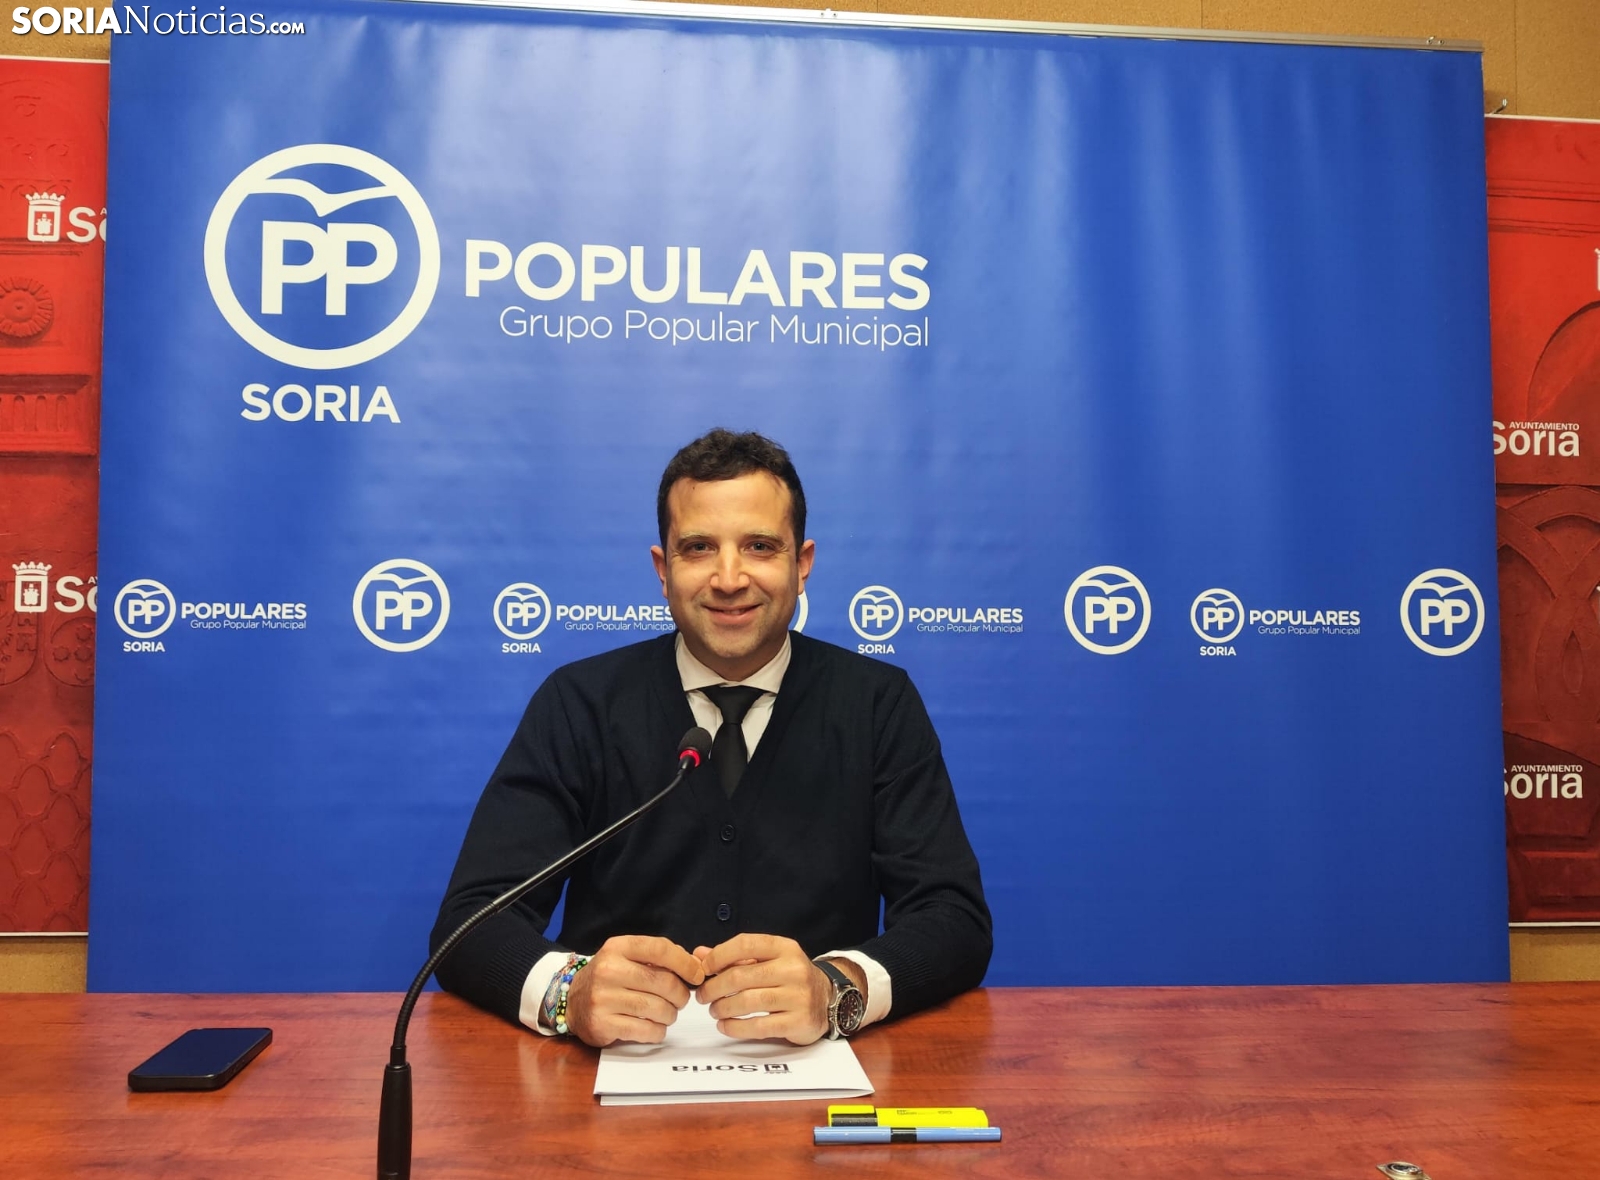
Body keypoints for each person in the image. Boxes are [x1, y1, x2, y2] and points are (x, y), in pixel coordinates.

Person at [432, 429, 990, 1046]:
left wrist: (837, 989)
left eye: (759, 546)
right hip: (610, 1075)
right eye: (698, 548)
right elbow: (469, 924)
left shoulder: (878, 703)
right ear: (663, 569)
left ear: (802, 564)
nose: (729, 578)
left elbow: (953, 919)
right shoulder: (580, 702)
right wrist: (569, 992)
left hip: (820, 1075)